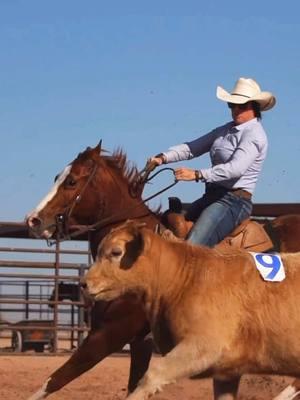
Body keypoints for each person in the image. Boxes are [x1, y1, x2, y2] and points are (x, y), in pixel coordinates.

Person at [149, 77, 276, 247]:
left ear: (254, 106)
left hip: (234, 201)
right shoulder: (224, 130)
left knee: (193, 247)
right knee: (168, 229)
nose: (236, 110)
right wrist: (163, 157)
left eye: (242, 105)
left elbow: (235, 169)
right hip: (212, 196)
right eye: (232, 105)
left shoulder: (254, 134)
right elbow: (192, 148)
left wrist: (197, 174)